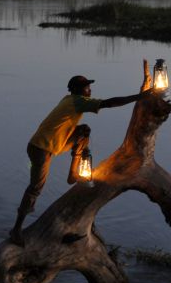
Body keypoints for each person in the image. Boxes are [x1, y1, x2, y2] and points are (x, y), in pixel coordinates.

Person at [9, 75, 148, 246]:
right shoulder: (77, 101)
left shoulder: (69, 99)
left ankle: (73, 173)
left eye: (89, 87)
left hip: (51, 145)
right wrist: (138, 97)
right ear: (78, 90)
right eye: (87, 87)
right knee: (35, 187)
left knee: (83, 131)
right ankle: (16, 229)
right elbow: (109, 103)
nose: (90, 90)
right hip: (41, 148)